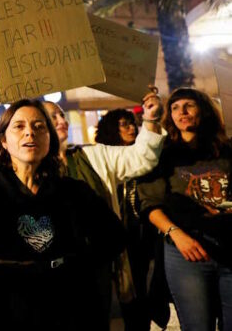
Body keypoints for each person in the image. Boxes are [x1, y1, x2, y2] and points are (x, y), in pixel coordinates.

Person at [0, 99, 127, 330]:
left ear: (49, 139)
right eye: (19, 126)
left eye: (39, 126)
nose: (29, 133)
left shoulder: (72, 191)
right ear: (3, 140)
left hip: (65, 301)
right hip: (2, 302)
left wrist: (79, 266)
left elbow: (114, 236)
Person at [42, 98, 164, 325]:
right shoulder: (29, 167)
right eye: (52, 116)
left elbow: (142, 157)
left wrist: (150, 119)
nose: (61, 120)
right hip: (48, 273)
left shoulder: (93, 155)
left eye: (61, 115)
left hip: (94, 268)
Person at [137, 87, 232, 330]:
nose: (183, 112)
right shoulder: (162, 154)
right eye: (176, 107)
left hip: (229, 246)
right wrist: (177, 235)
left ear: (204, 110)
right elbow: (150, 205)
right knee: (198, 325)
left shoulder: (226, 150)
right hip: (186, 252)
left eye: (189, 105)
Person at [95, 108, 159, 330]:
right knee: (124, 294)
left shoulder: (144, 157)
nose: (132, 128)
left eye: (133, 123)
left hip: (143, 235)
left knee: (143, 291)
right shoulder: (103, 159)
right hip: (118, 237)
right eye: (124, 124)